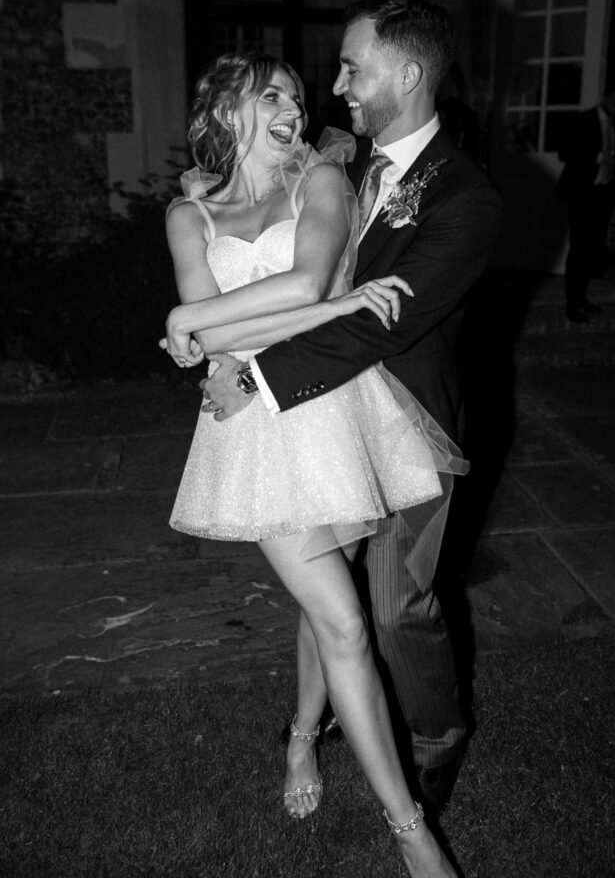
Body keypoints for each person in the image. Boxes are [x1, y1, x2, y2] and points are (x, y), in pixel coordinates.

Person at [163, 48, 469, 877]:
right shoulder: (186, 215)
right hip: (253, 434)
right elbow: (217, 342)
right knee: (341, 617)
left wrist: (189, 315)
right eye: (272, 95)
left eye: (297, 95)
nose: (296, 108)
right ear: (227, 109)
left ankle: (302, 738)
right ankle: (413, 833)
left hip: (333, 410)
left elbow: (298, 289)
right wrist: (207, 327)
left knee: (321, 599)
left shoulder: (320, 181)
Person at [555, 79, 615, 323]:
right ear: (606, 98)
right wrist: (598, 157)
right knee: (579, 248)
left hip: (603, 193)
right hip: (582, 193)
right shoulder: (583, 120)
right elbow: (565, 152)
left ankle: (582, 298)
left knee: (591, 248)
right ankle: (572, 303)